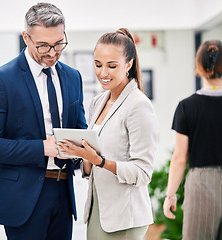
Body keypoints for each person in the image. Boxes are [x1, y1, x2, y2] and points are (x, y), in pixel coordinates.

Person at [0, 2, 87, 239]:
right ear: (26, 37)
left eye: (59, 44)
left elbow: (79, 129)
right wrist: (42, 148)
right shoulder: (1, 80)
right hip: (21, 198)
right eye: (43, 45)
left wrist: (84, 148)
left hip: (64, 193)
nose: (53, 53)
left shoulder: (73, 77)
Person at [58, 28, 159, 240]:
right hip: (99, 212)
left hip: (125, 218)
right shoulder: (98, 102)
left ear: (128, 65)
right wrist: (85, 157)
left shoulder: (139, 105)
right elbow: (93, 163)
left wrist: (99, 161)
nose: (103, 73)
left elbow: (142, 172)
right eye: (98, 65)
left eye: (112, 66)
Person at [163, 40, 222, 239]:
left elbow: (179, 158)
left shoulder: (187, 107)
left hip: (202, 185)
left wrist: (170, 194)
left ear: (199, 67)